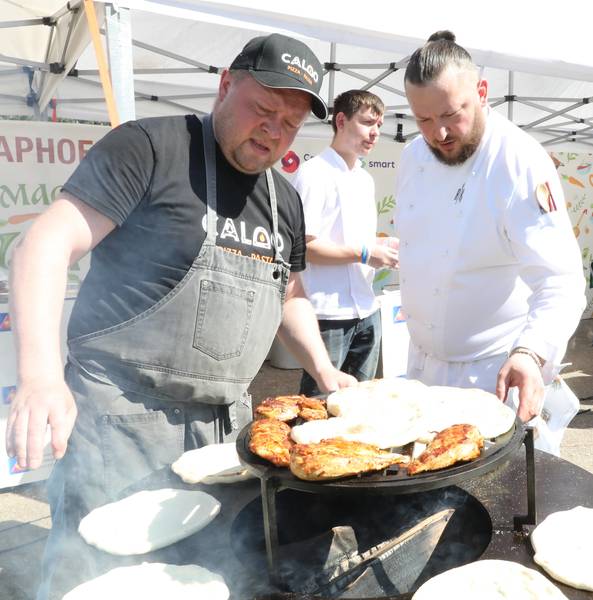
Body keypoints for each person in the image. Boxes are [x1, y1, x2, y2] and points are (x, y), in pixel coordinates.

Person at [5, 33, 356, 598]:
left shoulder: (284, 200)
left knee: (212, 576)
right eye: (263, 109)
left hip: (227, 434)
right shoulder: (148, 149)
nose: (273, 130)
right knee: (97, 580)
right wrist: (40, 377)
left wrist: (323, 368)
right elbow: (43, 245)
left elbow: (287, 291)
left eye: (289, 123)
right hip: (121, 428)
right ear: (225, 84)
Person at [394, 31, 585, 445]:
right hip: (421, 371)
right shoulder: (412, 158)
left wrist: (531, 352)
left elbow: (561, 280)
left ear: (481, 92)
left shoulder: (518, 159)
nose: (439, 134)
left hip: (492, 377)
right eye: (424, 119)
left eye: (451, 115)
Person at [292, 90, 399, 396]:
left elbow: (354, 239)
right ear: (341, 120)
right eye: (367, 123)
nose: (375, 133)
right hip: (328, 314)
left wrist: (383, 245)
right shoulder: (314, 174)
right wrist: (366, 253)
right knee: (318, 405)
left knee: (360, 404)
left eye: (379, 125)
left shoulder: (364, 179)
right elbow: (305, 247)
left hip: (366, 308)